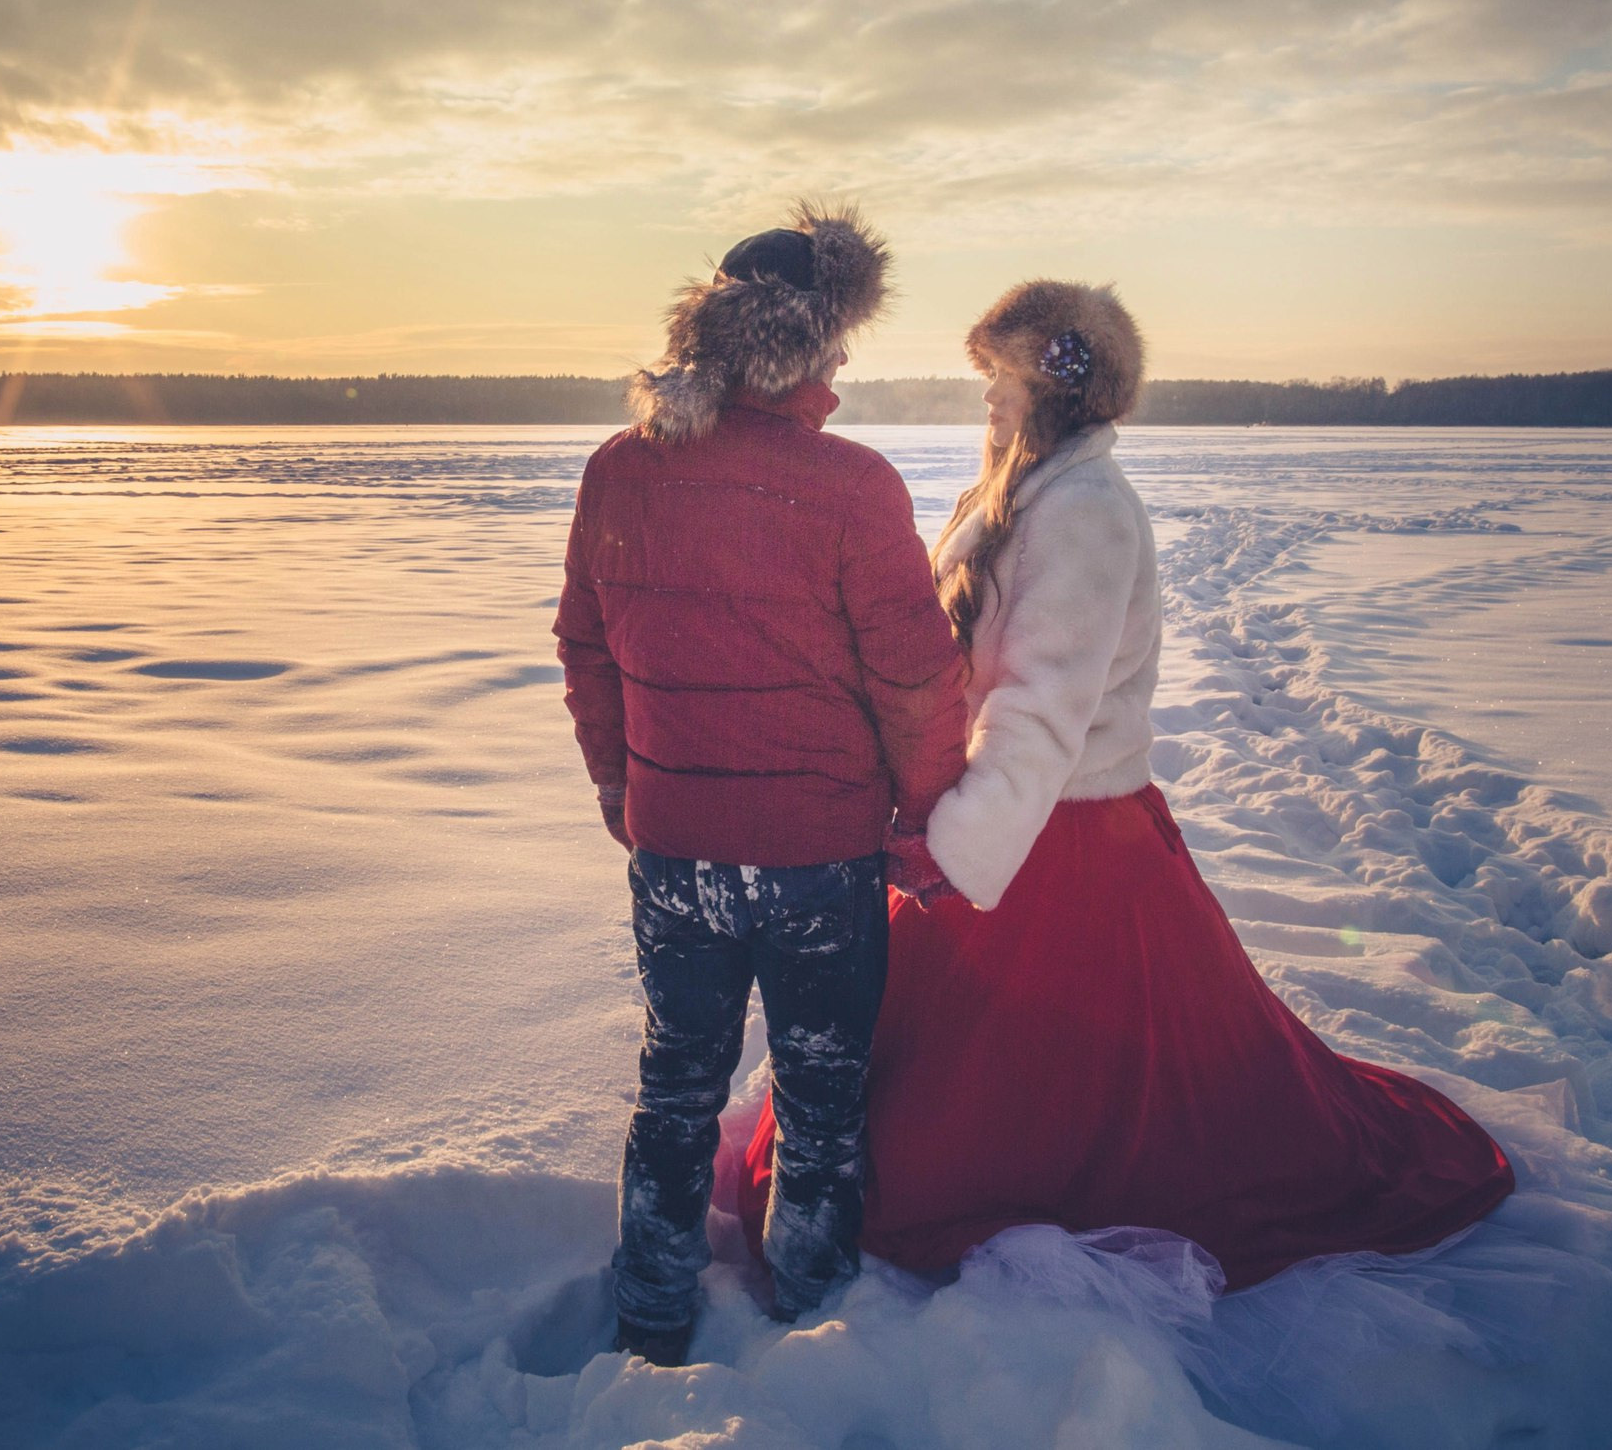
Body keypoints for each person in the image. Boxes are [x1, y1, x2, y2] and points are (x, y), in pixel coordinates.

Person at [738, 279, 1514, 1291]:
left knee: (985, 1137)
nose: (987, 395)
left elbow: (1041, 710)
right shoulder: (1014, 493)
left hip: (1058, 843)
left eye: (1003, 376)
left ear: (1057, 390)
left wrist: (954, 845)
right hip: (1002, 819)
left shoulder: (1085, 514)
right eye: (985, 374)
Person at [555, 202, 969, 1366]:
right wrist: (926, 813)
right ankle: (810, 1321)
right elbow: (915, 677)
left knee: (676, 1085)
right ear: (814, 347)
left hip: (674, 848)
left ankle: (651, 1312)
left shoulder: (620, 469)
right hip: (817, 856)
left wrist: (622, 792)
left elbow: (585, 649)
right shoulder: (848, 484)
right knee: (822, 1101)